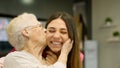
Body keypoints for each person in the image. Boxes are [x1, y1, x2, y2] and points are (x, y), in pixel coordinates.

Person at [3, 13, 73, 68]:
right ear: (26, 32)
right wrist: (64, 54)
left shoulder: (49, 61)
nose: (45, 30)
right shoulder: (14, 59)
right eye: (40, 26)